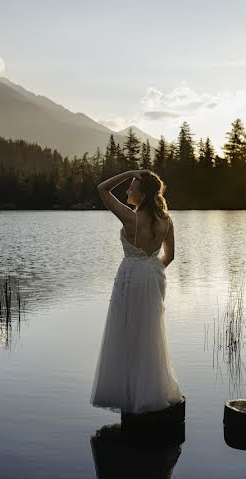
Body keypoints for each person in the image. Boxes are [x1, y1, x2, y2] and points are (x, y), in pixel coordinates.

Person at [90, 169, 185, 414]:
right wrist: (151, 269)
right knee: (150, 334)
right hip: (153, 278)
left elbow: (102, 189)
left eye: (131, 187)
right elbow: (170, 256)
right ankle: (152, 391)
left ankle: (131, 393)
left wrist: (130, 171)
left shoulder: (130, 218)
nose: (127, 190)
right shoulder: (167, 221)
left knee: (128, 335)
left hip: (131, 278)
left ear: (141, 195)